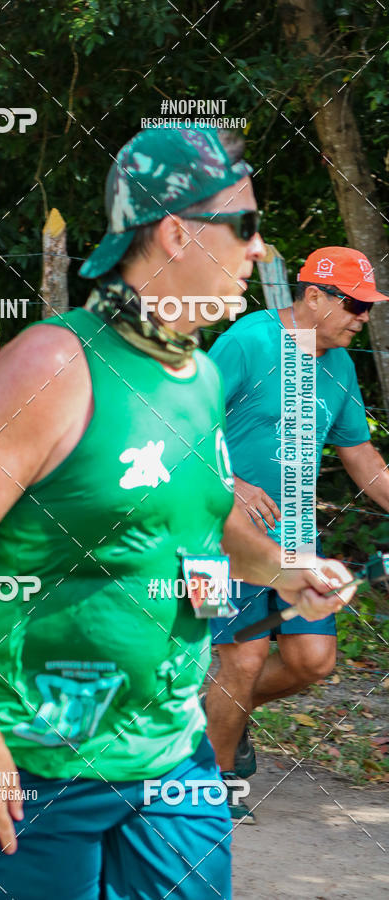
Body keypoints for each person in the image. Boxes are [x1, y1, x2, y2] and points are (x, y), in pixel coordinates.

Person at [0, 128, 352, 898]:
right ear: (176, 232)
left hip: (174, 761)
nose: (259, 248)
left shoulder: (200, 375)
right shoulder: (53, 363)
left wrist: (286, 571)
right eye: (244, 224)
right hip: (39, 766)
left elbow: (204, 522)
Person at [205, 245, 389, 822]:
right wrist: (233, 483)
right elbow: (184, 421)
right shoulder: (249, 341)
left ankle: (213, 718)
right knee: (243, 659)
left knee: (313, 661)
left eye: (368, 307)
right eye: (354, 304)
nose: (363, 317)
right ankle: (213, 783)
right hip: (221, 530)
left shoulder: (340, 366)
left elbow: (362, 458)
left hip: (296, 538)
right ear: (313, 296)